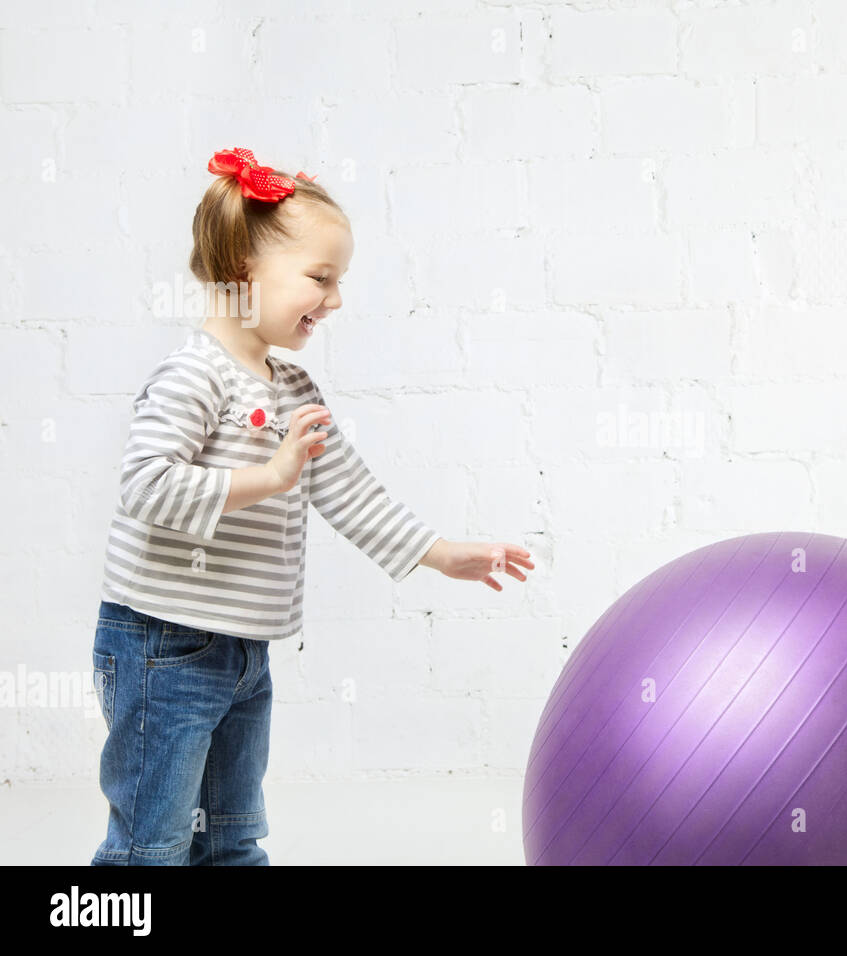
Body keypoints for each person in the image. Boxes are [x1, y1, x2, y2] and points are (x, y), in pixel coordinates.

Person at [91, 147, 534, 865]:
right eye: (320, 279)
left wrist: (443, 554)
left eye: (339, 281)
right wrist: (268, 477)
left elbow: (349, 489)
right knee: (154, 841)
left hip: (241, 651)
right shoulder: (192, 378)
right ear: (244, 271)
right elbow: (145, 485)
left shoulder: (294, 388)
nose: (334, 301)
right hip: (161, 647)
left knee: (232, 836)